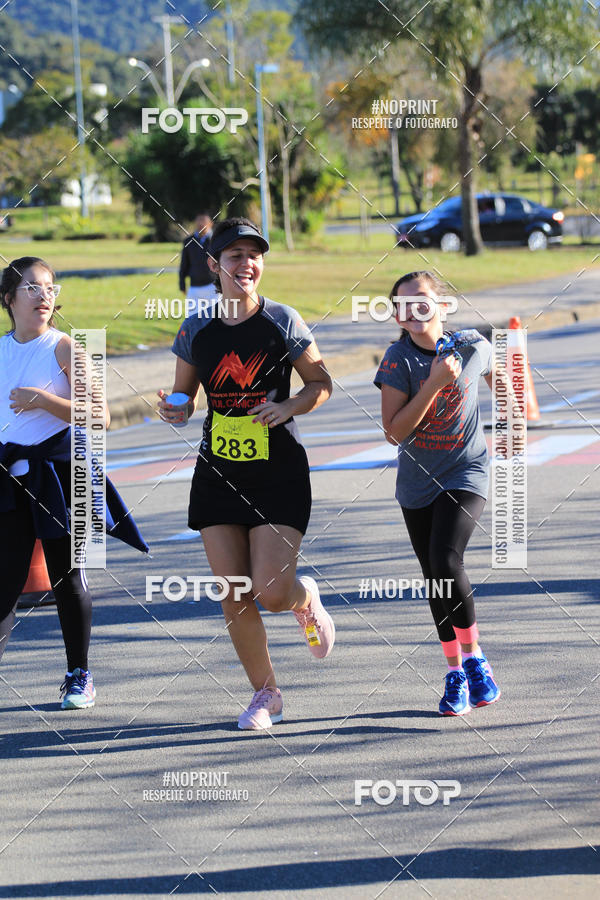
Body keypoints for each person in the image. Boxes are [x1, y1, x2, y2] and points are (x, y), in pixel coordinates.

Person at [158, 217, 335, 730]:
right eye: (233, 256)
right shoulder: (196, 328)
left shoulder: (282, 319)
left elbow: (321, 382)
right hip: (219, 470)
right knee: (233, 588)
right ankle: (266, 694)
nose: (246, 264)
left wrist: (290, 407)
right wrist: (175, 410)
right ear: (214, 265)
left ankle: (304, 600)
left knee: (271, 591)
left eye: (253, 254)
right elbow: (185, 398)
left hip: (278, 469)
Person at [0, 257, 148, 709]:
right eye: (31, 288)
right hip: (9, 475)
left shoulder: (64, 348)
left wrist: (44, 401)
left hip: (61, 476)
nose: (44, 296)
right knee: (4, 582)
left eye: (49, 288)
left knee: (67, 576)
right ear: (8, 300)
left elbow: (99, 415)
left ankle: (79, 675)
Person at [374, 270, 513, 716]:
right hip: (417, 484)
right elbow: (394, 433)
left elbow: (500, 385)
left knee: (447, 559)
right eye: (403, 304)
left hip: (466, 472)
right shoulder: (397, 361)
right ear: (396, 312)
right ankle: (453, 672)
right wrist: (433, 383)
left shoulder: (473, 346)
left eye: (422, 301)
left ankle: (475, 663)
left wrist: (506, 412)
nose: (413, 310)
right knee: (435, 574)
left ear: (443, 305)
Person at [179, 212, 217, 307]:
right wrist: (182, 283)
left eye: (203, 221)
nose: (201, 224)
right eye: (198, 221)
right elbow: (184, 264)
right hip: (194, 287)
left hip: (213, 287)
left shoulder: (217, 241)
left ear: (210, 223)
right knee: (193, 318)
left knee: (216, 318)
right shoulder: (188, 241)